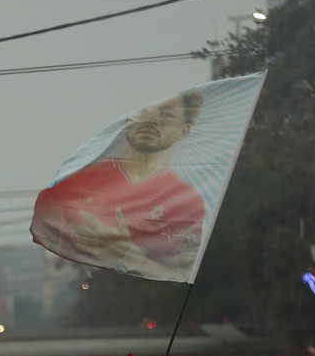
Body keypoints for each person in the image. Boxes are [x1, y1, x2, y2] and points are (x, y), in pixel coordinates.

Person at [30, 90, 207, 281]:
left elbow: (185, 274)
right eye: (143, 113)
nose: (151, 121)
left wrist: (130, 256)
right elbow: (45, 229)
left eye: (166, 115)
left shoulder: (188, 202)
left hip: (150, 305)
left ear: (184, 131)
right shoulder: (76, 183)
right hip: (98, 300)